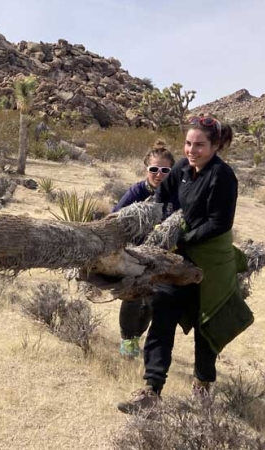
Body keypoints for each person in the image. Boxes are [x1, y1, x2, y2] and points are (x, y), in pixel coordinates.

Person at [117, 116, 253, 414]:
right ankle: (151, 390)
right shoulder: (179, 168)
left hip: (208, 263)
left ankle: (202, 386)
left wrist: (180, 237)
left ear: (216, 146)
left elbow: (219, 224)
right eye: (188, 143)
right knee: (162, 314)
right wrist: (136, 224)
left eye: (200, 145)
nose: (192, 150)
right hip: (175, 259)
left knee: (207, 326)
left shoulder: (222, 175)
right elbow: (159, 201)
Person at [112, 140, 177, 359]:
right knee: (132, 297)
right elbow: (115, 217)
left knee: (152, 301)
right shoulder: (137, 191)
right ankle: (127, 340)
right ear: (146, 169)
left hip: (164, 257)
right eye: (154, 169)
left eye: (165, 170)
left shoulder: (176, 196)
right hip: (136, 255)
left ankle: (136, 336)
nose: (159, 174)